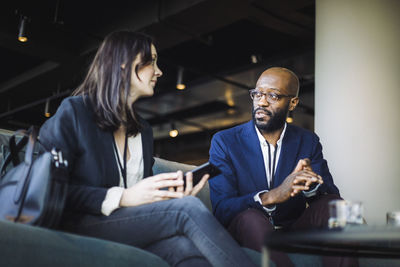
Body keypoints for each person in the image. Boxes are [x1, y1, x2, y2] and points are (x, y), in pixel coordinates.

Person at [39, 30, 256, 267]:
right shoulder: (75, 112)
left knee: (186, 251)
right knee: (186, 210)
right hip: (80, 222)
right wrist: (123, 197)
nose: (159, 71)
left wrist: (169, 197)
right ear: (123, 63)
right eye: (151, 61)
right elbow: (54, 189)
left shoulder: (143, 130)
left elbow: (143, 198)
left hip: (125, 224)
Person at [209, 67, 357, 266]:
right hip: (246, 228)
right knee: (252, 218)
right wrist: (270, 196)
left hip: (292, 231)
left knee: (335, 206)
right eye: (257, 94)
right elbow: (222, 208)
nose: (261, 102)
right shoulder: (225, 141)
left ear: (293, 103)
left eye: (273, 96)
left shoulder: (307, 141)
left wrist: (310, 186)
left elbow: (329, 195)